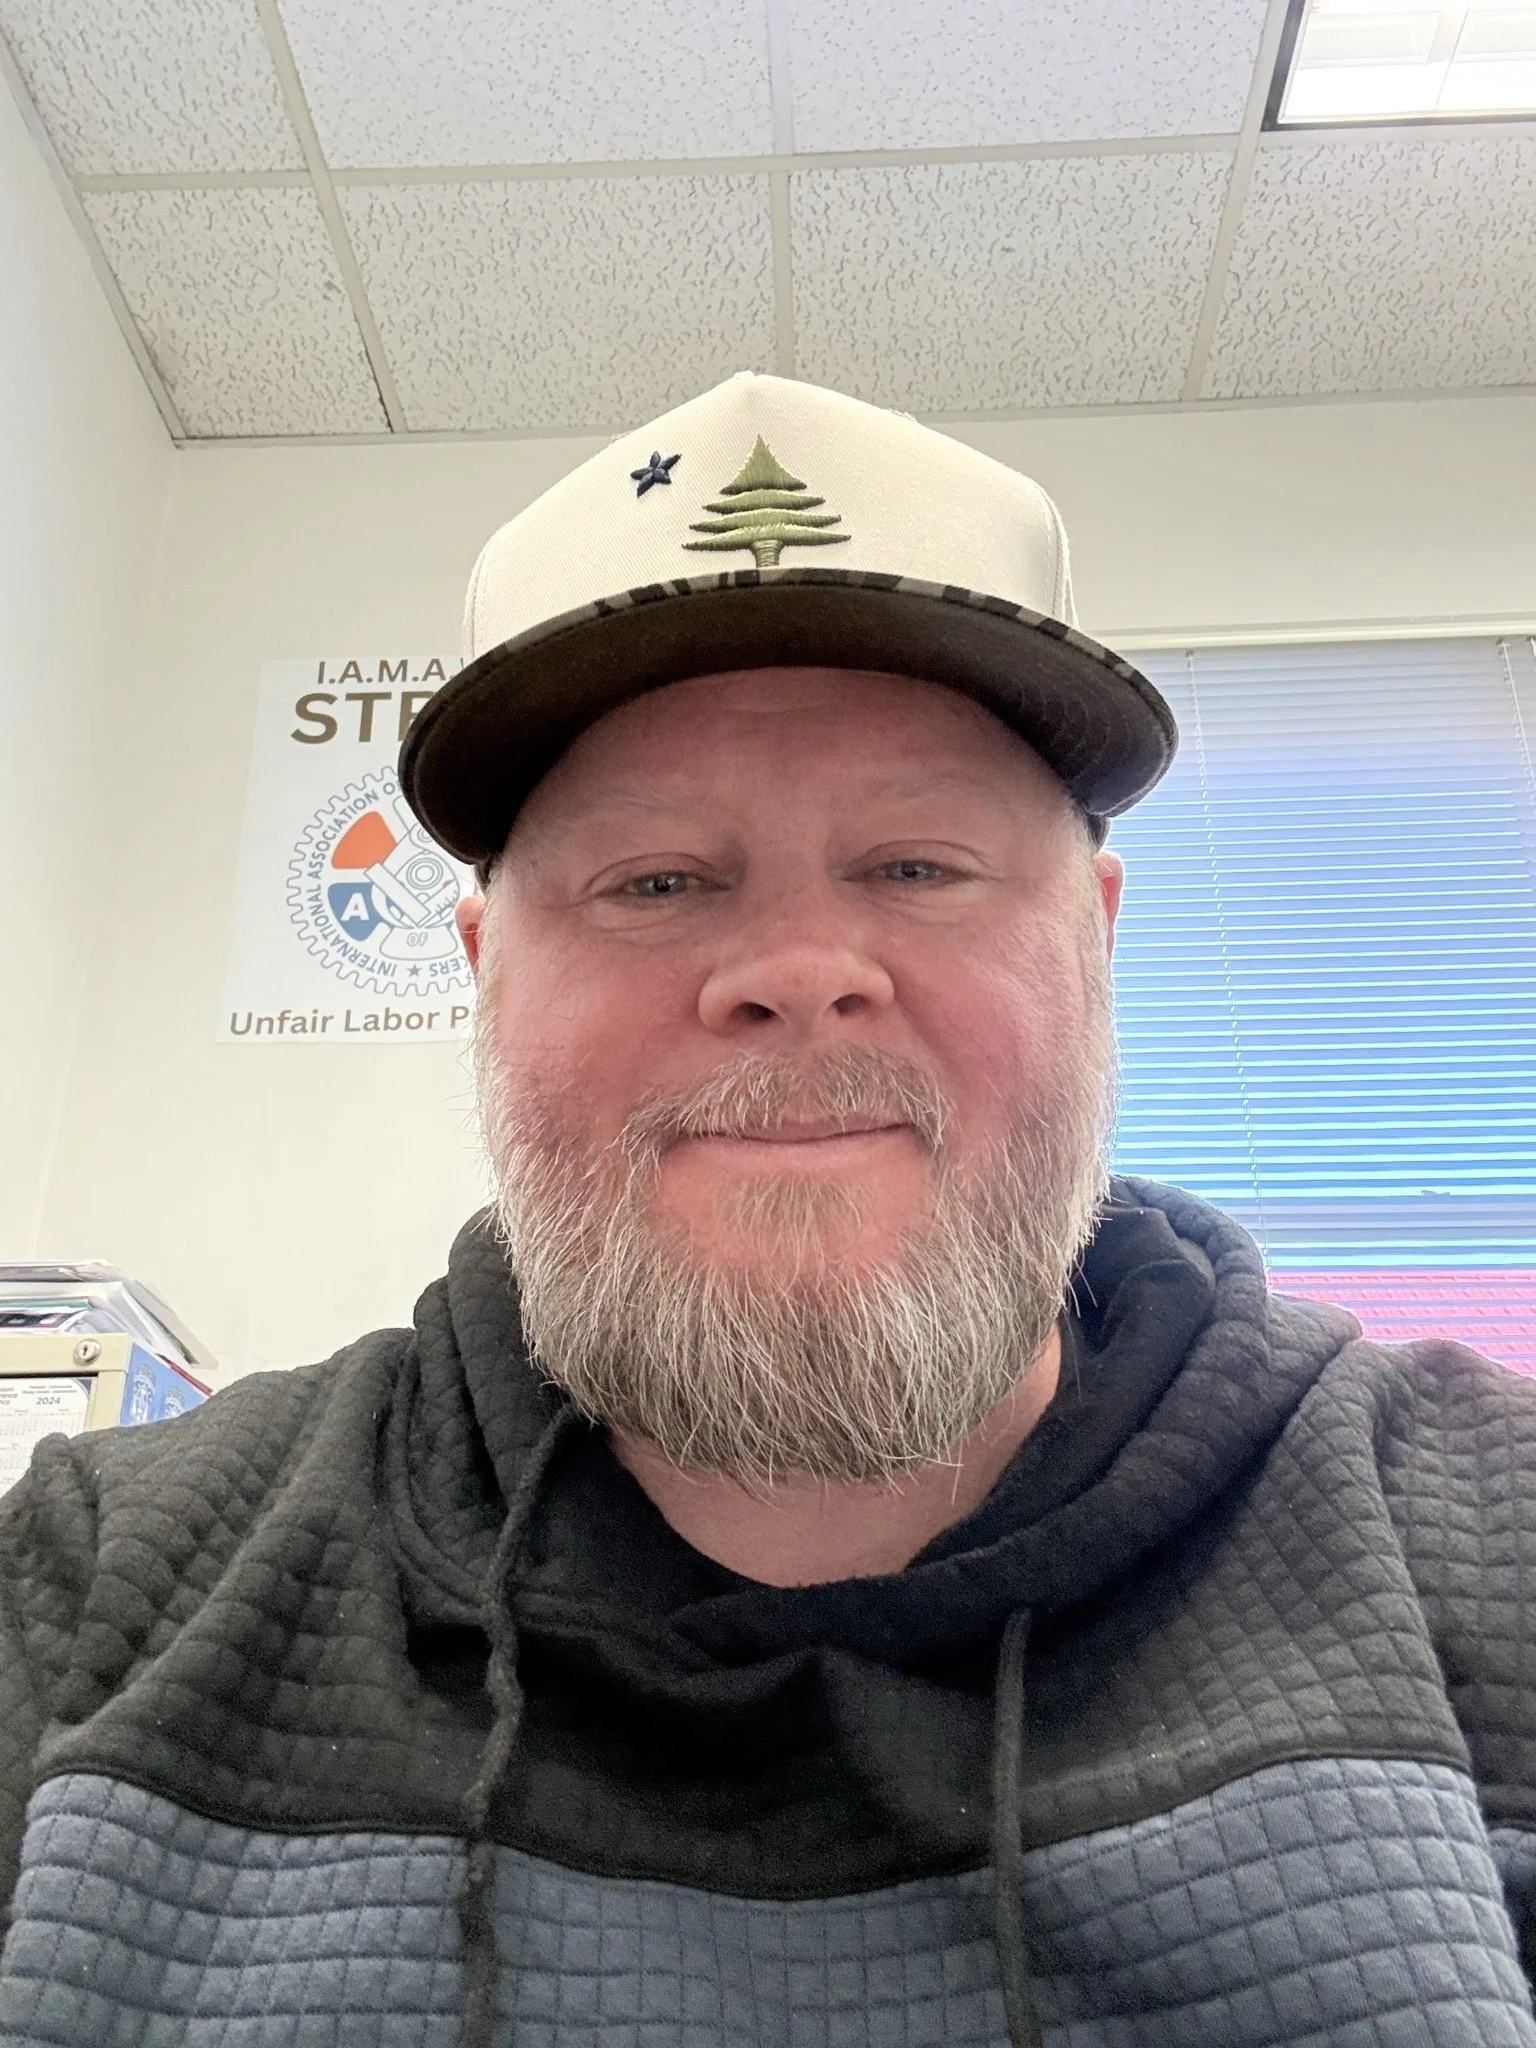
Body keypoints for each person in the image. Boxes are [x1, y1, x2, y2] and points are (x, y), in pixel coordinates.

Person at [0, 372, 1533, 2048]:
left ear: (1093, 942)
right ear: (483, 975)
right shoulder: (95, 1594)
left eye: (919, 865)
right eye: (657, 881)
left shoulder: (1489, 1548)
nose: (800, 971)